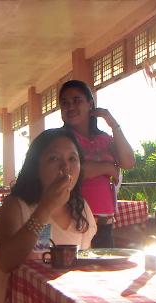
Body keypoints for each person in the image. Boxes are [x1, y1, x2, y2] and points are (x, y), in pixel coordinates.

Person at [0, 128, 97, 303]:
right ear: (36, 167)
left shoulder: (81, 208)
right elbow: (5, 261)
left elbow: (84, 261)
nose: (65, 167)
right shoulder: (17, 206)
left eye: (73, 159)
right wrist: (45, 208)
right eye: (54, 158)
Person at [59, 80, 135, 248]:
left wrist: (112, 123)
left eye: (77, 100)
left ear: (90, 104)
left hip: (104, 223)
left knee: (104, 272)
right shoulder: (61, 139)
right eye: (64, 103)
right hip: (73, 220)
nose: (70, 106)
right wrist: (108, 168)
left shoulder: (105, 139)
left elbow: (128, 161)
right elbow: (73, 171)